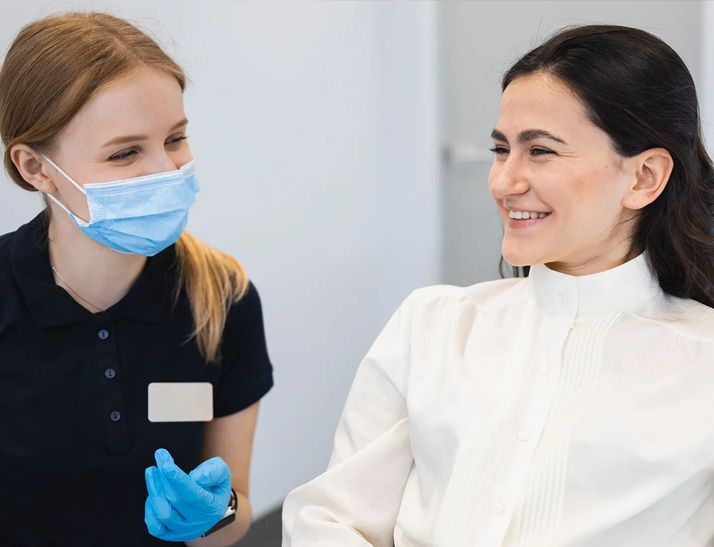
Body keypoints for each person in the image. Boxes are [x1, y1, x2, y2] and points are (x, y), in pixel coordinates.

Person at [282, 24, 714, 547]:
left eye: (542, 152)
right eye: (500, 149)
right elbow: (331, 518)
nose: (504, 182)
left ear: (644, 177)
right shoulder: (435, 324)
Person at [0, 12, 274, 546]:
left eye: (175, 139)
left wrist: (212, 515)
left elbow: (233, 514)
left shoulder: (223, 298)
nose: (167, 170)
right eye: (125, 153)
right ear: (36, 168)